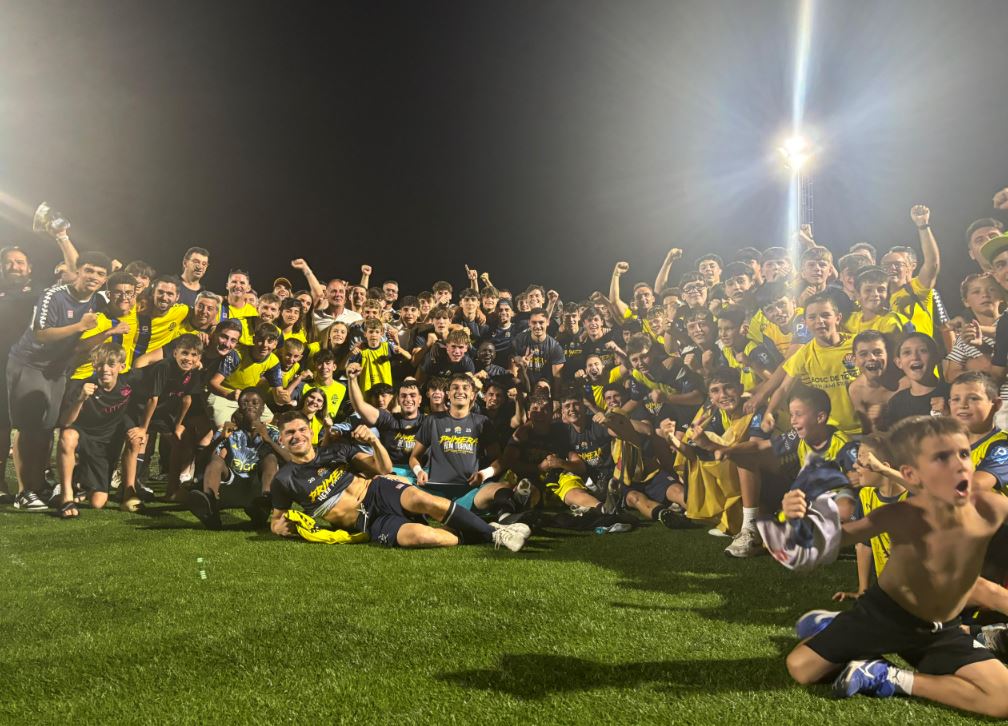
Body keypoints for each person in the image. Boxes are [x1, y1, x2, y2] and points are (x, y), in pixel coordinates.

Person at [781, 416, 1008, 718]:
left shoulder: (993, 508)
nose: (959, 465)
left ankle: (886, 676)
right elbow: (834, 539)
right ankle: (834, 626)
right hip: (883, 616)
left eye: (963, 453)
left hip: (939, 628)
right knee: (801, 668)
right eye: (941, 458)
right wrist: (797, 518)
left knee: (1003, 701)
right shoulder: (901, 514)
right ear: (911, 474)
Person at [268, 411, 529, 550]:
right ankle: (477, 532)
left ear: (311, 431)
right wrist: (278, 528)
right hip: (366, 522)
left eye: (301, 429)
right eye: (289, 433)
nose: (297, 436)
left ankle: (496, 534)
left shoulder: (336, 450)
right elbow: (276, 519)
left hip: (377, 491)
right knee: (418, 536)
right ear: (281, 439)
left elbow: (383, 468)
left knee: (422, 499)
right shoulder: (284, 479)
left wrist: (374, 441)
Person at [7, 251, 110, 510]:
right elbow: (41, 334)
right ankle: (23, 492)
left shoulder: (98, 299)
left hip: (58, 369)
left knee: (46, 427)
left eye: (100, 273)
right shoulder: (53, 295)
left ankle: (39, 483)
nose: (93, 277)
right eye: (89, 270)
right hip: (30, 363)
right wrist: (80, 326)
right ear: (78, 271)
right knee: (28, 426)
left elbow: (127, 294)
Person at [55, 343, 153, 516]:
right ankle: (66, 496)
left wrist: (143, 428)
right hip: (83, 436)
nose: (105, 369)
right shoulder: (82, 386)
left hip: (106, 444)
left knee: (98, 503)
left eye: (111, 364)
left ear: (122, 366)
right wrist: (81, 399)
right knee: (67, 436)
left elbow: (159, 373)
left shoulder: (130, 382)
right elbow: (65, 422)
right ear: (94, 365)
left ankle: (126, 492)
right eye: (100, 364)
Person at [188, 388, 286, 529]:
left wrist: (269, 441)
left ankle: (264, 503)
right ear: (239, 408)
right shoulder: (229, 430)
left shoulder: (273, 432)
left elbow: (291, 461)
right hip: (232, 484)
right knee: (216, 461)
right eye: (245, 403)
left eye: (255, 403)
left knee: (270, 458)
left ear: (262, 408)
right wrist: (219, 439)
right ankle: (210, 506)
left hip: (257, 487)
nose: (250, 406)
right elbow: (201, 460)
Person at [408, 374, 502, 510]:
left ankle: (506, 515)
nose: (460, 391)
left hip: (469, 490)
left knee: (502, 487)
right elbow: (414, 457)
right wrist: (419, 472)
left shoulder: (482, 422)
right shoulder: (432, 420)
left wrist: (483, 474)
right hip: (434, 491)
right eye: (455, 387)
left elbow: (499, 461)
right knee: (393, 482)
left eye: (465, 388)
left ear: (473, 395)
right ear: (448, 394)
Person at [0, 245, 36, 503]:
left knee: (31, 427)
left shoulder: (39, 293)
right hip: (1, 367)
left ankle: (32, 485)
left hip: (30, 368)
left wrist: (61, 236)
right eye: (9, 262)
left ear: (29, 268)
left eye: (20, 262)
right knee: (1, 426)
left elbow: (72, 273)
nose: (14, 266)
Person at [880, 333, 948, 429]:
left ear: (936, 357)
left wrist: (948, 417)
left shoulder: (952, 394)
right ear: (899, 362)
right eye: (907, 352)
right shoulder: (896, 403)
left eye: (923, 351)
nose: (915, 357)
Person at [847, 331, 898, 434]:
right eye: (863, 354)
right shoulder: (856, 390)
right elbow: (868, 431)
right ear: (855, 360)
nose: (872, 358)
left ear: (888, 355)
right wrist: (876, 423)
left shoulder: (906, 383)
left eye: (877, 352)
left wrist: (892, 412)